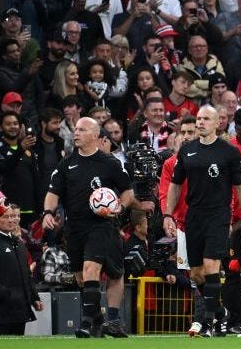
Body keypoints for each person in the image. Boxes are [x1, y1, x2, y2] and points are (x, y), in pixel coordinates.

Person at [42, 116, 148, 338]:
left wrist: (119, 207)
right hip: (75, 228)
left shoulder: (109, 163)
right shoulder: (66, 164)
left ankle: (88, 322)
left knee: (94, 269)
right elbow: (53, 194)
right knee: (82, 276)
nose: (76, 133)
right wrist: (48, 213)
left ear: (95, 135)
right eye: (76, 129)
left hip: (102, 225)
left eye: (82, 129)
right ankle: (101, 319)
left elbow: (128, 193)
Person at [163, 106, 241, 337]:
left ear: (217, 124)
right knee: (196, 274)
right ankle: (220, 311)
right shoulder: (187, 151)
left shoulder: (229, 152)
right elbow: (175, 186)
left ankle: (211, 323)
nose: (200, 122)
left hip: (219, 214)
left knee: (212, 266)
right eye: (199, 118)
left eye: (205, 119)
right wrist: (167, 214)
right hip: (194, 215)